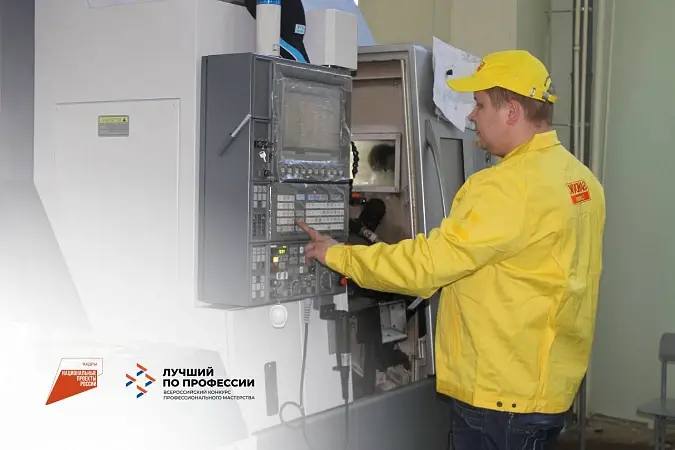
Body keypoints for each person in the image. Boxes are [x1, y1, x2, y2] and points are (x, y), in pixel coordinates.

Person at [298, 49, 605, 449]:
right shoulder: (581, 181)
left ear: (511, 111)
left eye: (480, 104)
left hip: (500, 399)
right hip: (546, 390)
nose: (472, 115)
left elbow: (424, 267)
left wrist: (336, 254)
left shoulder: (505, 186)